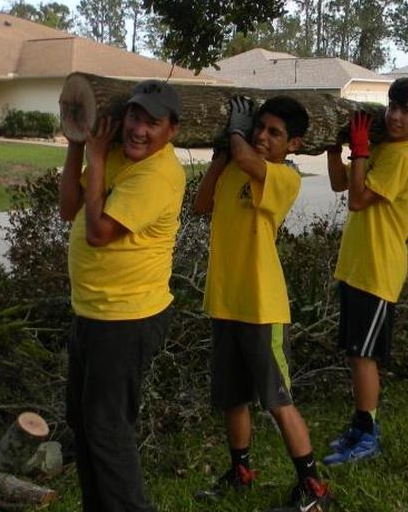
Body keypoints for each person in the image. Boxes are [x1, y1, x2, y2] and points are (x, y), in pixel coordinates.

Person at [193, 95, 332, 512]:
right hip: (225, 301)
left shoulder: (282, 176)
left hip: (262, 306)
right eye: (260, 128)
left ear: (294, 145)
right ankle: (241, 471)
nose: (263, 137)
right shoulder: (236, 164)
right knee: (232, 397)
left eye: (275, 133)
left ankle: (313, 488)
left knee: (277, 400)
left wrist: (236, 134)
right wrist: (221, 156)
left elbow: (250, 159)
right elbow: (201, 205)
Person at [58, 79, 186, 512]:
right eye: (134, 116)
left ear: (172, 131)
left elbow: (97, 233)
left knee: (108, 429)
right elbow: (67, 208)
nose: (139, 129)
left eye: (153, 122)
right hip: (92, 311)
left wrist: (94, 157)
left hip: (127, 318)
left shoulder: (160, 174)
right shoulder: (111, 153)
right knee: (83, 421)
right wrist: (79, 144)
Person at [322, 77, 408, 465]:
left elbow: (356, 201)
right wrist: (336, 150)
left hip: (378, 271)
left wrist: (362, 151)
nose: (396, 116)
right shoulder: (386, 147)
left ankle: (369, 436)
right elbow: (340, 184)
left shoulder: (401, 156)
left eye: (407, 110)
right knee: (355, 354)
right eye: (393, 106)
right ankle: (359, 424)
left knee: (364, 356)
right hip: (356, 266)